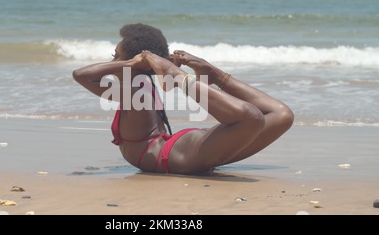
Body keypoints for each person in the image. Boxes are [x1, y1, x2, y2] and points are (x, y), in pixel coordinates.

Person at [72, 23, 294, 175]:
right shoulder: (138, 88)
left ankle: (183, 75)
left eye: (116, 55)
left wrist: (130, 64)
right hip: (191, 151)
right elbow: (85, 75)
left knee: (252, 117)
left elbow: (81, 75)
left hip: (181, 155)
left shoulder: (133, 90)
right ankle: (214, 74)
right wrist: (133, 62)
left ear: (135, 62)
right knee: (281, 115)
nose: (112, 61)